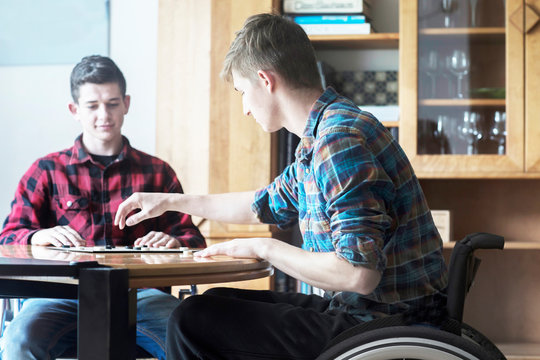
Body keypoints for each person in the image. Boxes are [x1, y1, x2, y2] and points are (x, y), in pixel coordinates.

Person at [115, 13, 448, 360]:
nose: (245, 108)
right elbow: (261, 205)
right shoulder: (319, 139)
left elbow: (358, 274)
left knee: (190, 319)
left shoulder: (338, 141)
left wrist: (265, 248)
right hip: (368, 314)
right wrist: (170, 201)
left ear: (265, 80)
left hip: (386, 324)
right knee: (211, 303)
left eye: (243, 92)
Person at [0, 55, 205, 360]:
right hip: (59, 296)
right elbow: (7, 239)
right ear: (75, 110)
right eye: (92, 106)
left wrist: (175, 241)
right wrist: (35, 237)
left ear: (126, 103)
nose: (103, 115)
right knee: (19, 341)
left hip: (142, 297)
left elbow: (194, 241)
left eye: (112, 103)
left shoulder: (157, 172)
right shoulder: (45, 170)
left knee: (194, 344)